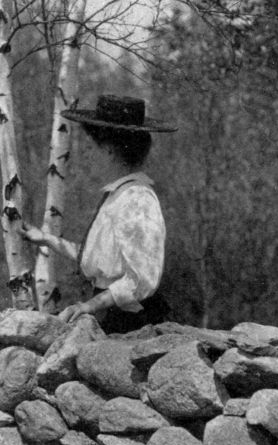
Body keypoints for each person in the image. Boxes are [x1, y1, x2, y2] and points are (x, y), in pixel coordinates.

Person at [22, 94, 177, 333]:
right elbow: (100, 260)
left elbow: (141, 279)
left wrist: (90, 306)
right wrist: (46, 239)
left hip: (134, 322)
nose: (86, 155)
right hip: (112, 313)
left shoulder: (137, 199)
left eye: (90, 148)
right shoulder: (118, 196)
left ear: (109, 151)